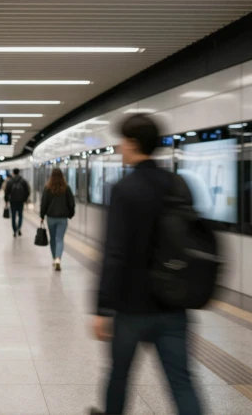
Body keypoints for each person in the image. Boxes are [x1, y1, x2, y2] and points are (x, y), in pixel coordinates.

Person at [91, 114, 201, 415]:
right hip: (173, 303)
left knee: (119, 376)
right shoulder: (178, 184)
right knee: (182, 383)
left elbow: (114, 253)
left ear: (134, 144)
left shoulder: (124, 189)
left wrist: (102, 309)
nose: (119, 147)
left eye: (122, 141)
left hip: (131, 306)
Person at [40, 168, 75, 271]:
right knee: (59, 239)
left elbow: (44, 203)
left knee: (53, 239)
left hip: (50, 218)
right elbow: (71, 203)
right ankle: (58, 259)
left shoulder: (48, 188)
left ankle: (54, 258)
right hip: (63, 218)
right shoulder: (66, 188)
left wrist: (42, 216)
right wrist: (70, 214)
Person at [4, 168, 31, 237]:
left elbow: (6, 192)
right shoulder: (23, 181)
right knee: (20, 215)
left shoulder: (10, 181)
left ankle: (14, 230)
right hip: (20, 201)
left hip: (12, 201)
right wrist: (24, 199)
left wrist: (6, 200)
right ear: (19, 173)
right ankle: (19, 227)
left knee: (13, 216)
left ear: (13, 173)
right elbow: (27, 191)